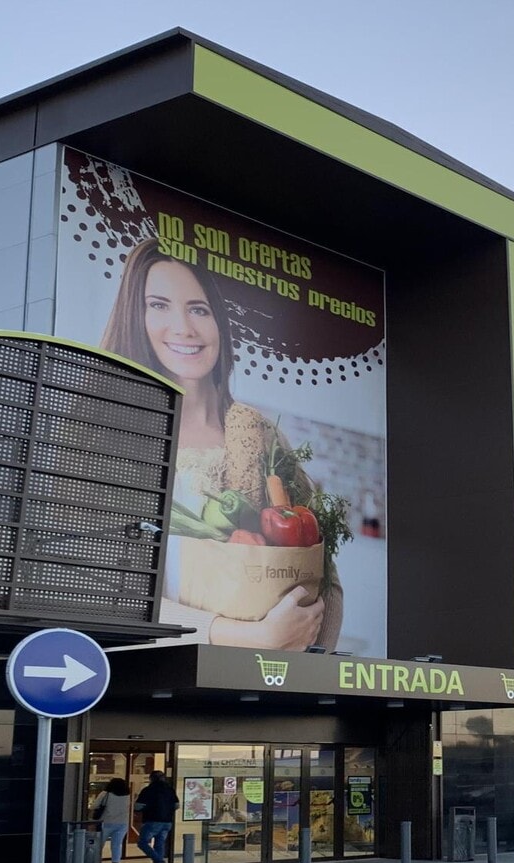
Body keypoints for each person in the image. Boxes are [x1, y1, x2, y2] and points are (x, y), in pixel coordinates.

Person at [100, 245, 340, 650]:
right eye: (158, 305)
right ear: (133, 317)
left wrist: (304, 660)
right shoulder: (103, 432)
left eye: (199, 309)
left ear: (219, 323)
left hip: (265, 688)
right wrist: (246, 637)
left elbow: (323, 577)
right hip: (147, 676)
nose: (184, 328)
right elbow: (96, 583)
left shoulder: (264, 436)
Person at [134, 769, 179, 863]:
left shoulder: (148, 790)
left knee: (142, 842)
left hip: (152, 820)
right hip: (167, 822)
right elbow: (176, 805)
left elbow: (138, 806)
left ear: (151, 779)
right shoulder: (170, 790)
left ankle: (159, 862)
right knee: (159, 844)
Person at [92, 778, 132, 863]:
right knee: (116, 845)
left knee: (99, 845)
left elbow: (94, 806)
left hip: (106, 822)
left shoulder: (105, 794)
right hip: (122, 823)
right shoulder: (127, 796)